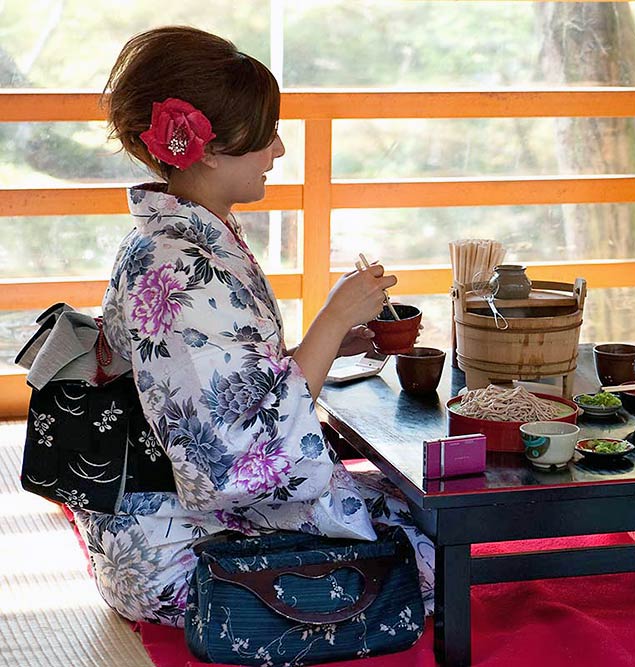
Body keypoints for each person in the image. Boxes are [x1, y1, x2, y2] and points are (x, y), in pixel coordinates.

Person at [70, 26, 434, 626]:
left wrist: (318, 348)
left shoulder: (182, 238)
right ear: (206, 148)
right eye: (266, 137)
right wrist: (332, 318)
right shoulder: (180, 263)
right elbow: (238, 461)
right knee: (430, 554)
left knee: (413, 509)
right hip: (185, 552)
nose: (281, 151)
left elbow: (213, 387)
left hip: (177, 512)